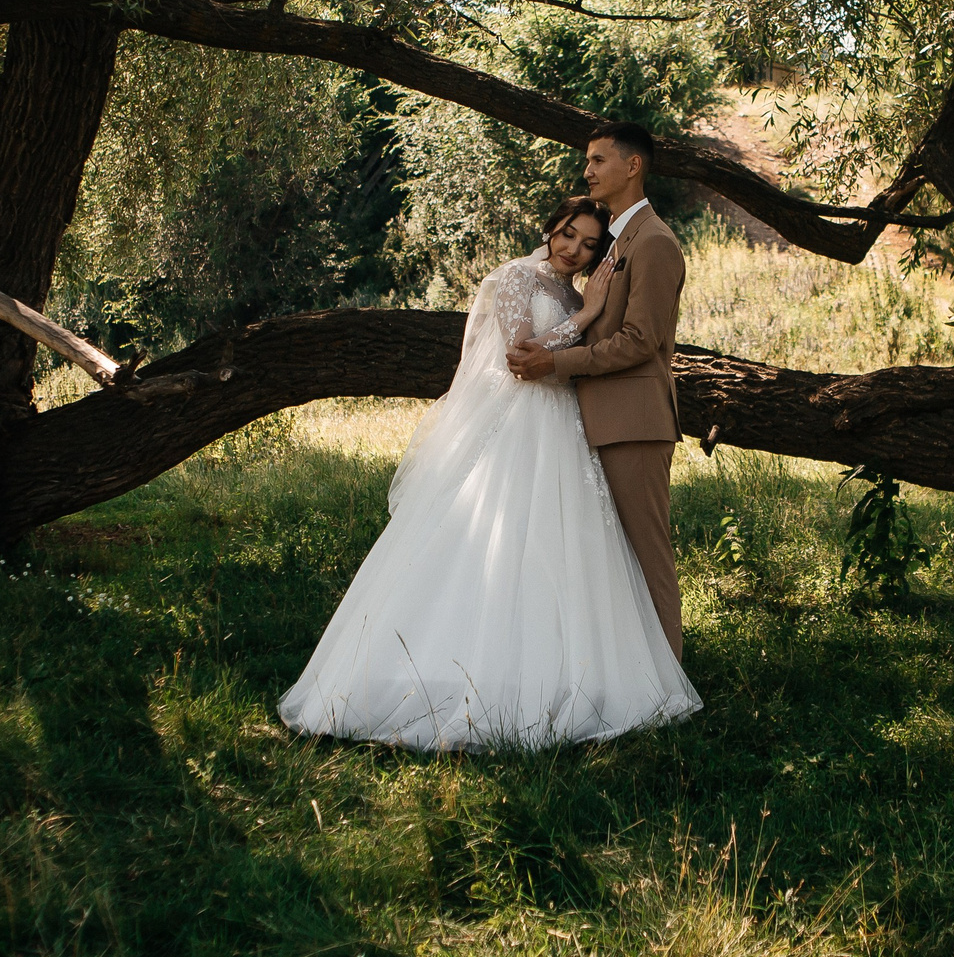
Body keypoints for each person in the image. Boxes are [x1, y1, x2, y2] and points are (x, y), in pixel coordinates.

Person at [277, 195, 701, 751]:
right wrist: (586, 316)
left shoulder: (574, 291)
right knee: (488, 547)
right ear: (550, 228)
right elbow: (518, 354)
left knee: (559, 551)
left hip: (564, 429)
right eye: (568, 234)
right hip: (514, 426)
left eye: (590, 244)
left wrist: (583, 311)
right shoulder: (514, 277)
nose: (575, 249)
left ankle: (564, 673)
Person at [505, 123, 687, 662]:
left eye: (599, 159)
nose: (588, 169)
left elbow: (638, 342)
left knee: (646, 554)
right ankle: (626, 670)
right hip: (596, 419)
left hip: (634, 419)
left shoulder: (653, 242)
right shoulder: (615, 241)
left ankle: (667, 682)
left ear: (632, 167)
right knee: (613, 560)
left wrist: (556, 363)